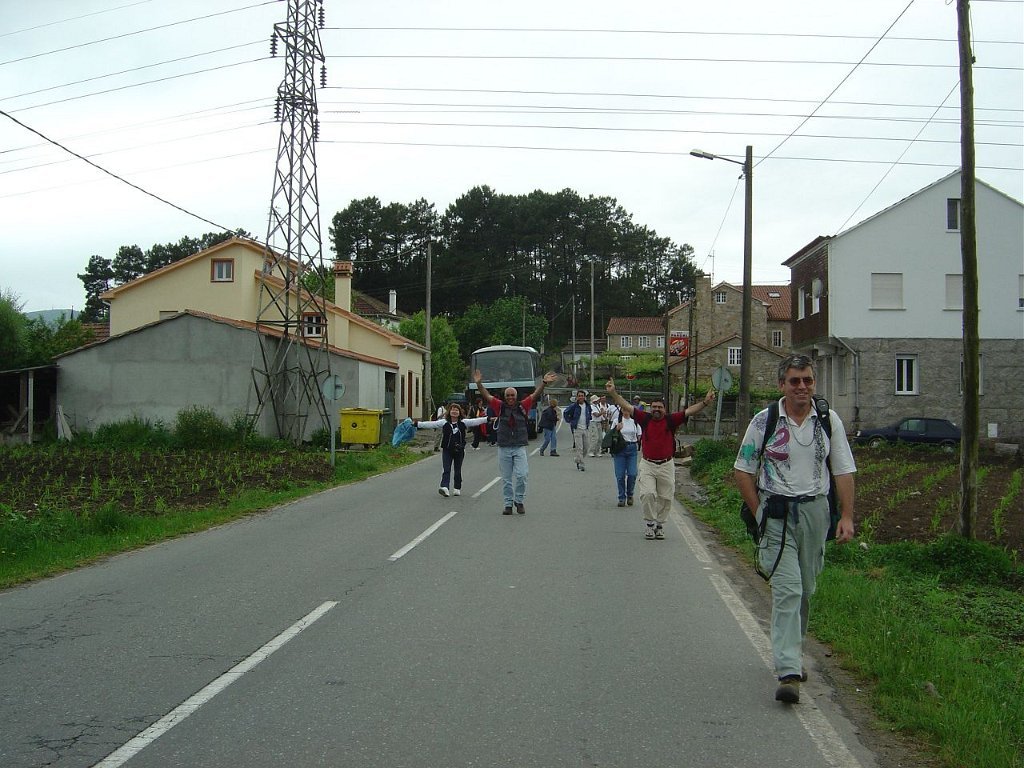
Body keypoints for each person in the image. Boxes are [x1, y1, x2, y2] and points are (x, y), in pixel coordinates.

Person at [733, 353, 856, 705]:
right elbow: (743, 469)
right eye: (794, 381)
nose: (802, 387)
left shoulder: (828, 420)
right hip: (777, 514)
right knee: (788, 589)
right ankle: (788, 670)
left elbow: (843, 470)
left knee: (806, 589)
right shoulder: (765, 421)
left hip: (816, 512)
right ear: (782, 385)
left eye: (808, 380)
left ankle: (793, 650)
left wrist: (846, 516)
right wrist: (759, 513)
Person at [606, 379, 715, 540]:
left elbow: (689, 411)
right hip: (648, 464)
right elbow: (626, 405)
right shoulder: (644, 418)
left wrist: (705, 402)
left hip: (666, 465)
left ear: (664, 409)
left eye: (660, 407)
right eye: (654, 407)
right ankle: (650, 524)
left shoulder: (671, 420)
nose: (656, 409)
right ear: (650, 408)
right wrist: (613, 393)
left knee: (666, 497)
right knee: (648, 494)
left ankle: (659, 525)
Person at [474, 369, 557, 515]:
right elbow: (486, 395)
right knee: (506, 479)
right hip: (504, 447)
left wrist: (544, 383)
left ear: (516, 396)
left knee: (522, 475)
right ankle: (508, 504)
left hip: (519, 447)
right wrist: (479, 383)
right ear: (504, 397)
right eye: (508, 395)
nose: (510, 397)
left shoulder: (523, 405)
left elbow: (535, 394)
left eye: (512, 395)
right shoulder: (499, 406)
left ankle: (519, 501)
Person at [415, 403, 488, 497]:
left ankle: (457, 487)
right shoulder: (444, 422)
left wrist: (487, 419)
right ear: (449, 412)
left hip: (459, 450)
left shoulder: (463, 422)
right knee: (446, 469)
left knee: (457, 470)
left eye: (456, 410)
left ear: (459, 412)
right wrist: (417, 424)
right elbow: (431, 424)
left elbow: (475, 421)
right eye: (452, 409)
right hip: (447, 450)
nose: (454, 411)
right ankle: (444, 487)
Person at [606, 401, 642, 507]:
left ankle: (630, 494)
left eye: (628, 409)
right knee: (620, 475)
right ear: (621, 410)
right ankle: (621, 497)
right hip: (620, 449)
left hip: (632, 448)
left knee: (632, 474)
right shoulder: (617, 421)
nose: (626, 412)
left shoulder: (635, 422)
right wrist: (616, 429)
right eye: (624, 409)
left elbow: (639, 435)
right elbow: (610, 435)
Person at [562, 390, 593, 472]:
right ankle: (581, 464)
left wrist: (589, 419)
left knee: (586, 447)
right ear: (577, 397)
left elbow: (589, 414)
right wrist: (570, 421)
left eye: (582, 396)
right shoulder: (574, 406)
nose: (581, 397)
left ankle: (577, 459)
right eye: (579, 396)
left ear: (585, 397)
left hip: (585, 428)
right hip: (577, 429)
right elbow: (565, 413)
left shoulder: (587, 406)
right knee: (579, 447)